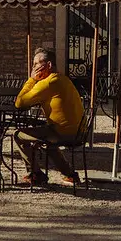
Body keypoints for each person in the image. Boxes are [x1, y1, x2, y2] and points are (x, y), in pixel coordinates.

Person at [14, 47, 85, 186]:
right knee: (46, 137)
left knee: (18, 135)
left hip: (62, 133)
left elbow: (19, 103)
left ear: (49, 65)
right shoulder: (63, 79)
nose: (34, 68)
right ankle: (70, 174)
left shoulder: (49, 82)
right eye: (33, 65)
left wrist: (31, 79)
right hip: (79, 131)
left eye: (36, 64)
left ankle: (35, 174)